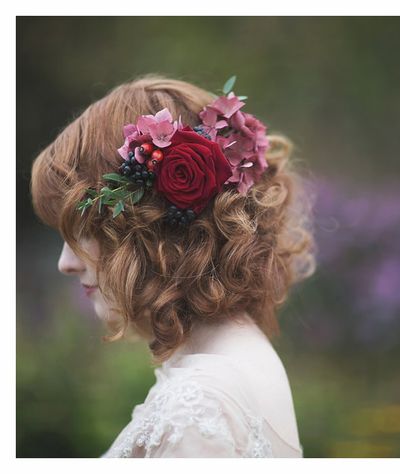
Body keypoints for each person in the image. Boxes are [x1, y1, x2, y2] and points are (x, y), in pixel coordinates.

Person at [30, 74, 316, 457]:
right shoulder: (233, 363)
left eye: (82, 229)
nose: (65, 263)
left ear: (154, 231)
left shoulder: (203, 401)